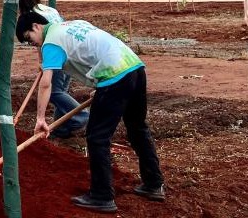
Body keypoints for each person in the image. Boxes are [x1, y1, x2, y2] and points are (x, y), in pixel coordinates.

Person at [16, 12, 164, 213]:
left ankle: (102, 196)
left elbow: (46, 84)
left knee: (97, 137)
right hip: (134, 67)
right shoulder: (71, 25)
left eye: (28, 38)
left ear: (36, 26)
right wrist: (101, 85)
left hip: (115, 76)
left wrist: (40, 118)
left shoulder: (51, 43)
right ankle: (154, 184)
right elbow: (93, 49)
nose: (31, 43)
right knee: (138, 128)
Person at [18, 0, 90, 138]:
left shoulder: (32, 16)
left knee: (54, 92)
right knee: (60, 92)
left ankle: (82, 116)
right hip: (68, 53)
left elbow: (41, 40)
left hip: (55, 54)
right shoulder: (49, 9)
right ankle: (61, 129)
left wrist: (42, 62)